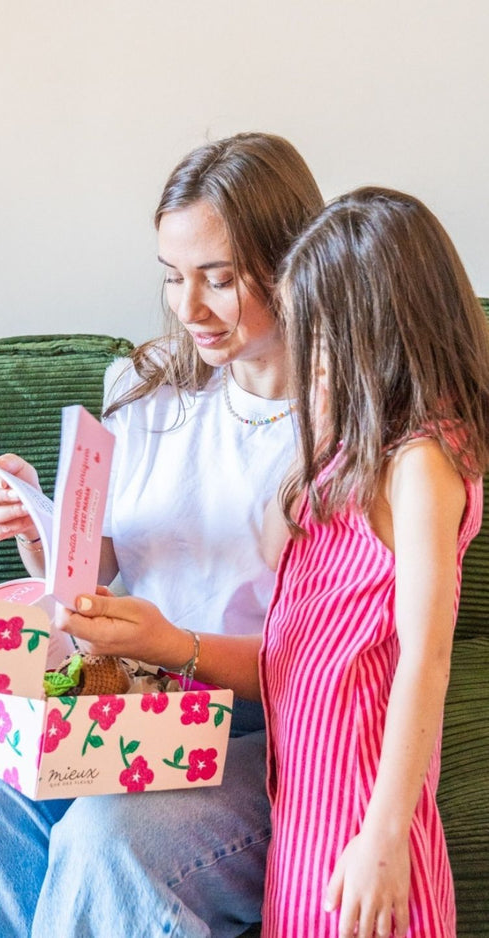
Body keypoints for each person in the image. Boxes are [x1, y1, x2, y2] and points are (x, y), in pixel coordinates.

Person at [0, 132, 324, 937]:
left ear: (293, 265)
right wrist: (32, 518)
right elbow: (88, 574)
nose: (189, 308)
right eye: (173, 277)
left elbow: (328, 663)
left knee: (108, 841)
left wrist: (178, 643)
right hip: (131, 700)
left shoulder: (337, 426)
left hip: (266, 731)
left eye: (218, 279)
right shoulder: (145, 384)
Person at [257, 188, 489, 937]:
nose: (305, 362)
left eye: (317, 338)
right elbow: (279, 557)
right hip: (306, 800)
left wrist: (385, 835)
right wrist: (321, 428)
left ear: (374, 332)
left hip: (361, 805)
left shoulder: (422, 462)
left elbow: (426, 658)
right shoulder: (353, 452)